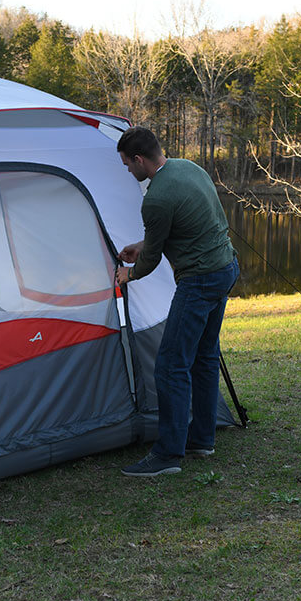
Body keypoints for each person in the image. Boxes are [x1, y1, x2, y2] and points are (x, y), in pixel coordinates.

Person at [114, 126, 239, 477]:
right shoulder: (189, 167)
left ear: (139, 160)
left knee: (170, 364)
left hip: (200, 280)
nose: (127, 171)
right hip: (226, 267)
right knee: (203, 355)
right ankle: (201, 439)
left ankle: (168, 454)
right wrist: (143, 244)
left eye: (127, 165)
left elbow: (151, 261)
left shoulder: (154, 198)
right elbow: (182, 225)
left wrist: (130, 273)